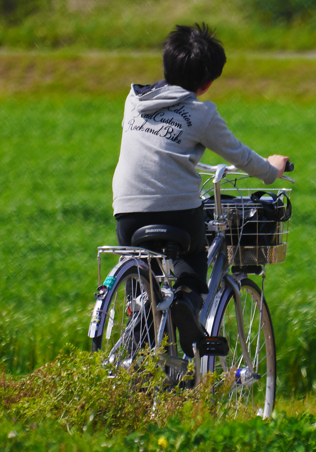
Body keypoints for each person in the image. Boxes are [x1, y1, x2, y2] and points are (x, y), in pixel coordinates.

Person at [111, 23, 289, 357]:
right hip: (177, 209)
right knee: (193, 258)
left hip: (126, 208)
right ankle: (186, 301)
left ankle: (143, 352)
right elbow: (241, 156)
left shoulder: (133, 100)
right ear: (207, 83)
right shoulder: (201, 113)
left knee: (142, 282)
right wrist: (272, 170)